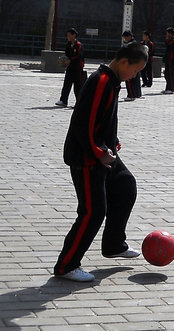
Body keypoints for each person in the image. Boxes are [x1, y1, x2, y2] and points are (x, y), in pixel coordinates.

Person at [53, 42, 148, 282]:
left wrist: (112, 142)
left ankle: (114, 244)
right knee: (93, 211)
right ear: (124, 62)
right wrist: (98, 151)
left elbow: (103, 120)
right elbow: (83, 124)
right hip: (85, 156)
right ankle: (66, 265)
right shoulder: (101, 81)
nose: (134, 76)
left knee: (126, 185)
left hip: (102, 152)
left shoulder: (112, 81)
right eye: (135, 71)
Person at [55, 28, 84, 107]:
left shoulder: (78, 45)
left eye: (69, 35)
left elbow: (78, 56)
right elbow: (67, 54)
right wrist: (64, 60)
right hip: (70, 67)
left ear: (74, 35)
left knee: (77, 86)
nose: (68, 37)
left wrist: (70, 60)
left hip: (77, 68)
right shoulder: (68, 44)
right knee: (66, 84)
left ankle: (79, 102)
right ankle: (63, 100)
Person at [122, 31, 142, 101]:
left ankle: (131, 95)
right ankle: (133, 94)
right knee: (133, 81)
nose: (125, 39)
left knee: (129, 80)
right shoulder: (134, 43)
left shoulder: (131, 44)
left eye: (125, 37)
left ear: (129, 36)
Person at [162, 27, 174, 94]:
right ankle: (168, 87)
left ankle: (171, 88)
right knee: (166, 74)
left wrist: (167, 40)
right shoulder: (169, 40)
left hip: (171, 59)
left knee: (170, 74)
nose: (167, 35)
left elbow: (169, 45)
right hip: (167, 59)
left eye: (168, 33)